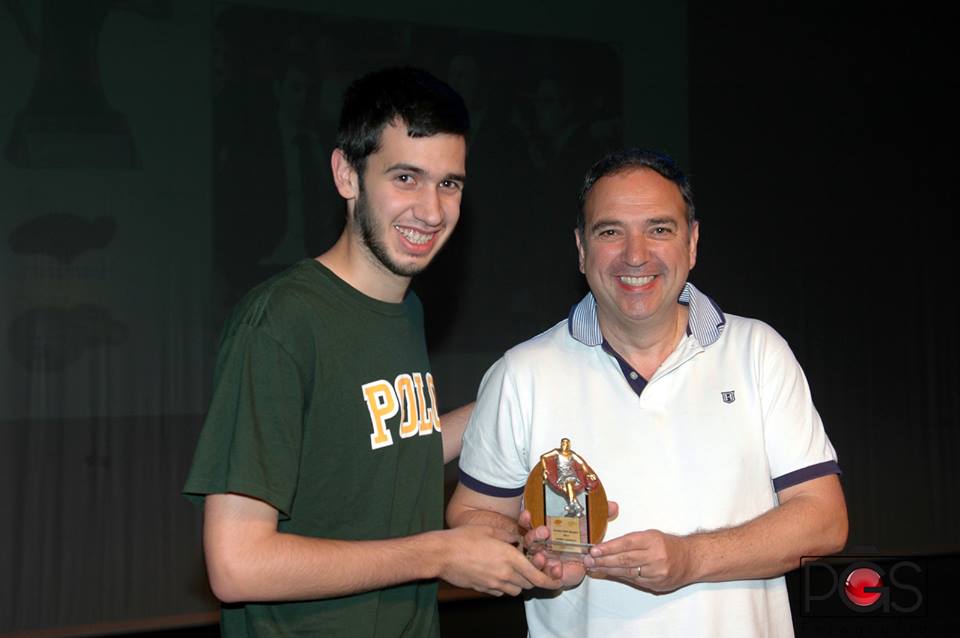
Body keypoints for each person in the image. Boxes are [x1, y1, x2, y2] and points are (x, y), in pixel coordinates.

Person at [184, 66, 558, 638]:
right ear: (346, 174)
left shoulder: (403, 309)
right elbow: (238, 565)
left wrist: (523, 395)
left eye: (449, 183)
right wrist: (439, 554)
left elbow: (386, 450)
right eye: (405, 177)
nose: (431, 211)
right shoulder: (282, 322)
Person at [447, 148, 848, 637]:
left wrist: (690, 558)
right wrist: (530, 550)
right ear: (580, 248)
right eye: (610, 231)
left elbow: (824, 521)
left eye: (659, 229)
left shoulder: (758, 352)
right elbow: (474, 515)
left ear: (693, 242)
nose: (635, 255)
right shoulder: (522, 373)